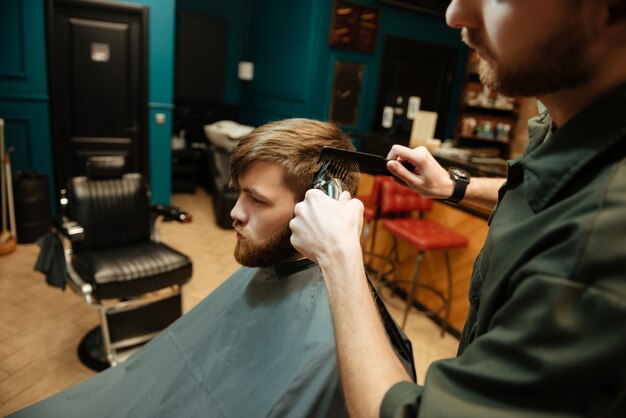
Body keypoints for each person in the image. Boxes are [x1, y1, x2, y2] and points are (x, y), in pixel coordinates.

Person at [290, 0, 626, 417]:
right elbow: (551, 190)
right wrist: (453, 186)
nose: (454, 15)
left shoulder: (598, 249)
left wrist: (339, 258)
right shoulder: (569, 125)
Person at [10, 118, 414, 417]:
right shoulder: (272, 269)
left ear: (318, 208)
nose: (235, 213)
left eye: (257, 200)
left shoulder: (331, 345)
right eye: (238, 194)